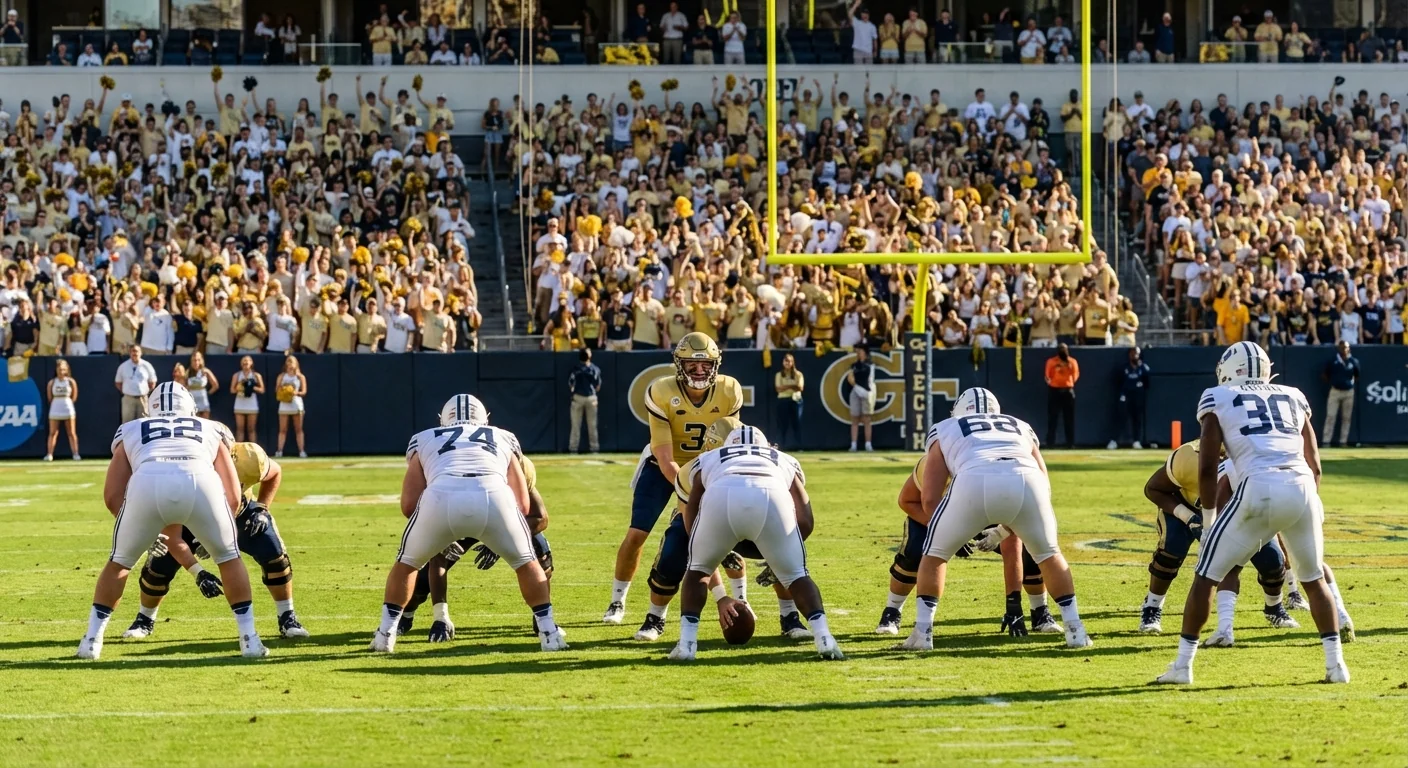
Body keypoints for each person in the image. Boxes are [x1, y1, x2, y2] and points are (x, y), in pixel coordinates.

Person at [1156, 342, 1349, 685]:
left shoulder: (1217, 397)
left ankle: (1182, 666)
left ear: (1228, 371)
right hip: (1302, 485)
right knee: (1313, 579)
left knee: (1206, 575)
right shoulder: (1293, 394)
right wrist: (1310, 502)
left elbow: (1206, 469)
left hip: (1258, 486)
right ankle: (1336, 666)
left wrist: (1210, 520)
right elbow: (1315, 463)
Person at [78, 382, 268, 660]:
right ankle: (249, 639)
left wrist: (137, 526)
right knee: (229, 557)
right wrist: (213, 529)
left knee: (120, 562)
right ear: (189, 405)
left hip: (147, 484)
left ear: (151, 407)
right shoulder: (212, 428)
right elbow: (232, 494)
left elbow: (112, 495)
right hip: (201, 483)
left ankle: (92, 641)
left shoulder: (131, 429)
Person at [895, 388, 1093, 651]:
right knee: (1050, 555)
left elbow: (930, 498)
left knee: (934, 554)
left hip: (973, 479)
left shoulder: (945, 428)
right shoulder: (1020, 425)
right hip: (1028, 481)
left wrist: (948, 535)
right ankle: (1075, 630)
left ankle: (922, 633)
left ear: (959, 411)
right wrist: (1003, 531)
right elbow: (1044, 484)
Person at [369, 394, 567, 653]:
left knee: (406, 563)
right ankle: (549, 633)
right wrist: (502, 534)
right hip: (495, 497)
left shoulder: (424, 438)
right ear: (486, 419)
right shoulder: (504, 437)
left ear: (442, 419)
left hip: (441, 497)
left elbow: (408, 505)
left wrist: (436, 531)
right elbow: (522, 505)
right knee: (526, 562)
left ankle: (385, 636)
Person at [603, 332, 743, 626]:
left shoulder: (729, 390)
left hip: (707, 468)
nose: (700, 370)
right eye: (692, 364)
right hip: (662, 466)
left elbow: (729, 443)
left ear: (716, 365)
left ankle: (742, 600)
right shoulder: (662, 391)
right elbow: (665, 458)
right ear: (679, 364)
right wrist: (688, 497)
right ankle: (617, 599)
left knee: (727, 534)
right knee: (637, 534)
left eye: (705, 364)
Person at [671, 425, 843, 661]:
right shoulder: (784, 459)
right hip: (771, 496)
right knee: (797, 576)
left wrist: (701, 545)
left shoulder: (710, 457)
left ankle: (686, 645)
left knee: (698, 571)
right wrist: (777, 555)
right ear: (766, 445)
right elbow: (806, 519)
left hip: (721, 494)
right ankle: (824, 639)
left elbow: (693, 504)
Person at [119, 441, 309, 641]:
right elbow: (173, 537)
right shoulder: (179, 467)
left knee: (273, 554)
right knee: (159, 565)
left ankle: (287, 617)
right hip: (187, 517)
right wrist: (198, 573)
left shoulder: (249, 457)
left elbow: (274, 472)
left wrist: (262, 508)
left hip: (239, 514)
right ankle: (145, 619)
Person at [875, 438, 1060, 638]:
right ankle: (892, 610)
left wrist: (1013, 605)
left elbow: (1012, 544)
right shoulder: (933, 463)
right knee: (915, 551)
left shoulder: (1004, 470)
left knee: (1031, 547)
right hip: (936, 513)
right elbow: (908, 500)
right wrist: (946, 530)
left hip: (989, 510)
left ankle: (1039, 610)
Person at [1137, 439, 1298, 637]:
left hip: (1241, 514)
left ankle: (1274, 608)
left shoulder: (1257, 462)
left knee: (1272, 560)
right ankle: (1152, 606)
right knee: (1172, 548)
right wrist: (1188, 517)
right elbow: (1153, 488)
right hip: (1188, 507)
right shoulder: (1189, 457)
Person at [1110, 347, 1150, 450]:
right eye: (1133, 353)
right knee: (1121, 418)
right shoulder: (1124, 368)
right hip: (1125, 396)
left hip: (1138, 396)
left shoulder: (1143, 368)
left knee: (1137, 419)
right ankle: (1114, 441)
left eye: (1136, 353)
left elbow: (1147, 383)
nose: (1135, 356)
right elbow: (1117, 382)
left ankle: (1136, 441)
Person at [1322, 341, 1358, 448]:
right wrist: (1335, 382)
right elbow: (1325, 375)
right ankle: (1326, 441)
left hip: (1349, 392)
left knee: (1346, 418)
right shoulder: (1333, 361)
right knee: (1330, 416)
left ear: (1349, 348)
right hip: (1335, 391)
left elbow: (1357, 375)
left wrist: (1349, 384)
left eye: (1346, 347)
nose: (1344, 349)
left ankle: (1343, 441)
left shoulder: (1353, 361)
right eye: (1342, 347)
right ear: (1339, 348)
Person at [567, 348, 601, 454]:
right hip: (589, 397)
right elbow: (597, 386)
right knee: (591, 425)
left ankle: (573, 448)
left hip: (579, 397)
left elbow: (571, 385)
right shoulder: (593, 369)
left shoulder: (576, 369)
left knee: (577, 425)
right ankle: (593, 448)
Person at [1044, 343, 1078, 448]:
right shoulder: (1052, 361)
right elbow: (1047, 375)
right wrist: (1052, 382)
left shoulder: (1072, 361)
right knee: (1052, 418)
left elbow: (1075, 375)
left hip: (1068, 391)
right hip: (1055, 390)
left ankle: (1070, 443)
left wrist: (1068, 382)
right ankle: (1050, 443)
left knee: (1069, 418)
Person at [45, 359, 80, 461]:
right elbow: (49, 397)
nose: (61, 371)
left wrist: (68, 402)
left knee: (71, 432)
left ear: (67, 370)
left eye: (63, 369)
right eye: (59, 369)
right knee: (53, 432)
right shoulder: (52, 382)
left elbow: (74, 396)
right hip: (55, 407)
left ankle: (75, 453)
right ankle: (49, 454)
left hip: (68, 407)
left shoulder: (71, 382)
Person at [274, 355, 307, 458]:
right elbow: (276, 390)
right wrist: (284, 391)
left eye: (292, 362)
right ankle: (279, 451)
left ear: (296, 364)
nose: (290, 364)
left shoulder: (300, 377)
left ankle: (301, 451)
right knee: (282, 429)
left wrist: (295, 393)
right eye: (288, 362)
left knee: (298, 429)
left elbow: (304, 391)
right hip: (284, 404)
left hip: (296, 404)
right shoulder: (282, 376)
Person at [114, 346, 158, 423]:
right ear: (130, 353)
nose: (135, 353)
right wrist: (127, 391)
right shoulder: (123, 366)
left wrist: (145, 392)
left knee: (143, 422)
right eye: (133, 351)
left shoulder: (147, 365)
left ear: (141, 353)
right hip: (128, 399)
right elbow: (118, 382)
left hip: (143, 399)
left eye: (137, 351)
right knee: (127, 424)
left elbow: (152, 382)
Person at [847, 345, 875, 451]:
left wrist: (867, 392)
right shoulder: (854, 365)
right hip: (855, 391)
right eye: (858, 352)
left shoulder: (870, 365)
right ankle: (853, 444)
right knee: (855, 418)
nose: (859, 353)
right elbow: (850, 378)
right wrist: (855, 386)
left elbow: (870, 380)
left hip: (866, 392)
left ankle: (868, 444)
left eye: (861, 351)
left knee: (867, 419)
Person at [774, 353, 803, 450]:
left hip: (796, 400)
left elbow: (800, 387)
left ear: (792, 362)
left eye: (789, 361)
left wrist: (785, 387)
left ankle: (799, 446)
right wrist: (792, 386)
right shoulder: (779, 375)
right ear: (783, 362)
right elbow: (778, 388)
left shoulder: (798, 374)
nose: (787, 363)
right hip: (783, 400)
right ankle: (781, 446)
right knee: (783, 424)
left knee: (796, 424)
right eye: (785, 361)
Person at [231, 355, 264, 442]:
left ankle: (253, 449)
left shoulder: (256, 375)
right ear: (241, 363)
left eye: (247, 360)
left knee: (251, 429)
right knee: (240, 429)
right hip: (240, 403)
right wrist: (240, 387)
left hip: (251, 404)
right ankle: (238, 449)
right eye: (244, 361)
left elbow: (262, 390)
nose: (245, 362)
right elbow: (232, 390)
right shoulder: (237, 375)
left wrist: (251, 387)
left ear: (251, 363)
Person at [186, 352, 218, 418]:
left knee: (205, 422)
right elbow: (184, 386)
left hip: (203, 401)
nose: (196, 362)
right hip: (192, 401)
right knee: (193, 422)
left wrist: (207, 393)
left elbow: (215, 385)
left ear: (201, 360)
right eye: (194, 360)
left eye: (198, 360)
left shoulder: (205, 371)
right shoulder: (188, 372)